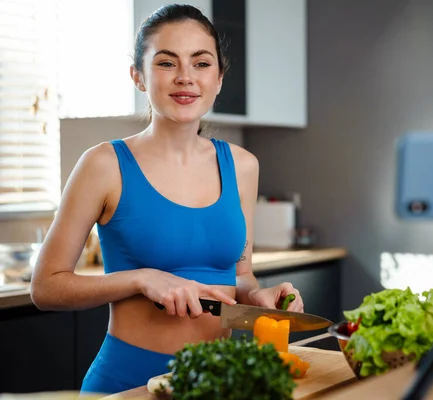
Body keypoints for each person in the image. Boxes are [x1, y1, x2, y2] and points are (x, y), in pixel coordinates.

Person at [30, 3, 304, 395]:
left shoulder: (243, 166)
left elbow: (240, 273)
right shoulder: (104, 164)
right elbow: (46, 288)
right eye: (166, 63)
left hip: (216, 383)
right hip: (128, 384)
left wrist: (257, 296)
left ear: (220, 77)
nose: (186, 78)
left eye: (201, 63)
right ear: (138, 77)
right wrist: (143, 279)